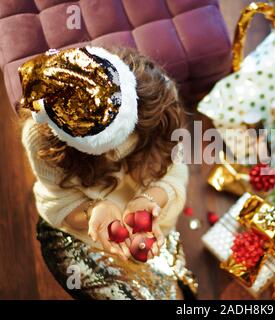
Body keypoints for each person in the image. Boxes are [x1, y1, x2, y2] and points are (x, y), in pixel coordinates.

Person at [19, 46, 196, 299]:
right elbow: (60, 201)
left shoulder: (160, 97)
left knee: (179, 293)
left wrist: (151, 199)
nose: (116, 154)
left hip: (150, 221)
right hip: (78, 231)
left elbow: (174, 169)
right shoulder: (40, 138)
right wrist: (94, 211)